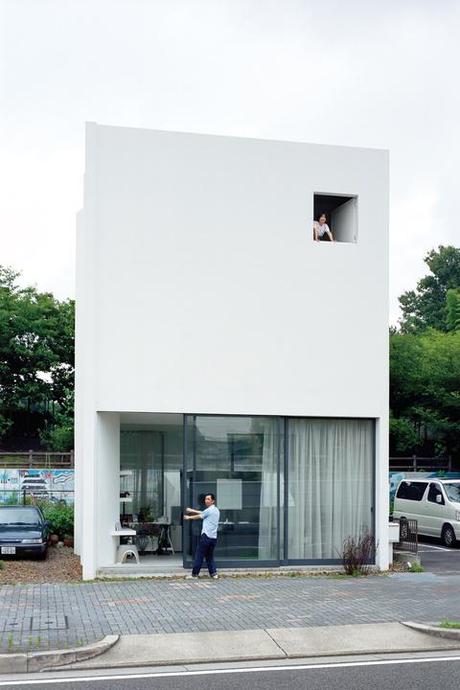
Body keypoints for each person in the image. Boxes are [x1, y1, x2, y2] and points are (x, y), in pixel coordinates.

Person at [184, 493, 220, 579]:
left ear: (213, 501)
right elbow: (203, 513)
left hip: (206, 536)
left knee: (199, 555)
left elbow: (200, 516)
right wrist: (192, 510)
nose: (206, 501)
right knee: (209, 556)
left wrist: (189, 518)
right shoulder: (216, 510)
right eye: (205, 499)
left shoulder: (209, 510)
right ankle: (214, 574)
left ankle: (194, 575)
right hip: (213, 538)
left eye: (208, 499)